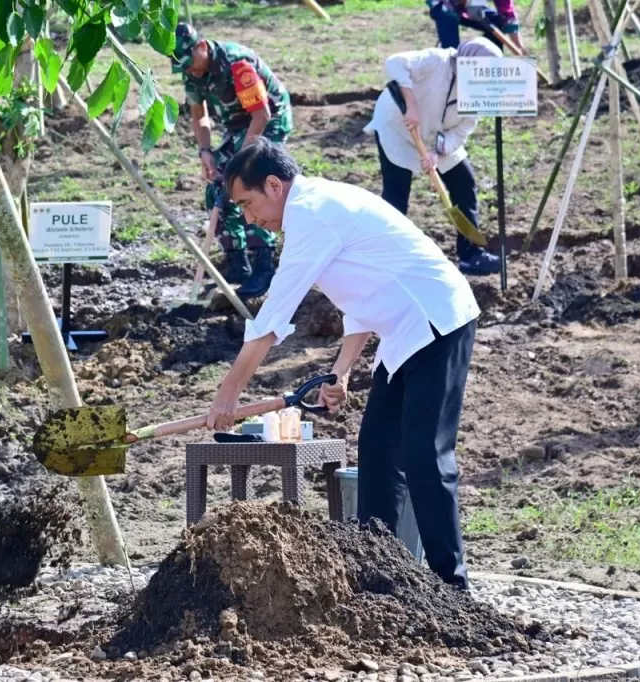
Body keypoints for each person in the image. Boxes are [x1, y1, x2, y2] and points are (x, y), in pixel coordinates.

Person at [206, 138, 479, 589]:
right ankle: (380, 577)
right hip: (403, 330)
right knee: (378, 451)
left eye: (247, 204)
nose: (250, 219)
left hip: (437, 319)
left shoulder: (311, 213)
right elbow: (361, 300)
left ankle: (452, 586)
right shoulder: (316, 209)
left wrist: (228, 393)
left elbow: (272, 318)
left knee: (425, 453)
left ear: (273, 185)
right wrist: (341, 371)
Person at [168, 22, 293, 298]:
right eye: (183, 67)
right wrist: (205, 152)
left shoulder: (238, 65)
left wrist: (241, 164)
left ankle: (264, 264)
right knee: (218, 187)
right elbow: (199, 115)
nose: (189, 71)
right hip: (238, 125)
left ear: (202, 46)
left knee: (251, 183)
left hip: (269, 120)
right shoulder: (192, 70)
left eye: (190, 63)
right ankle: (238, 264)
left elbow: (261, 116)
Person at [363, 37, 503, 276]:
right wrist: (411, 104)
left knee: (464, 183)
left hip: (437, 139)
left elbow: (461, 130)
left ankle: (471, 255)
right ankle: (385, 257)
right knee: (397, 194)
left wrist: (438, 152)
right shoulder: (437, 61)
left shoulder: (479, 90)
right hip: (398, 129)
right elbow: (395, 63)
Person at [428, 0, 524, 50]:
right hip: (445, 5)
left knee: (497, 20)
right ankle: (452, 68)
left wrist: (518, 45)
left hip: (472, 7)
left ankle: (489, 62)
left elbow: (506, 11)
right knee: (448, 16)